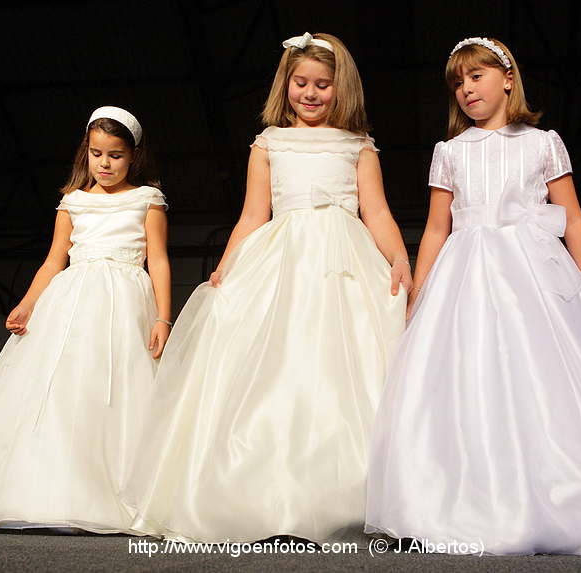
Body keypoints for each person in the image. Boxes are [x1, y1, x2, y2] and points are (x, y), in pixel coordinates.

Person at [365, 37, 581, 555]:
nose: (467, 89)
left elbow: (572, 218)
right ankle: (467, 505)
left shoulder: (543, 143)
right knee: (468, 381)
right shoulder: (450, 152)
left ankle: (566, 502)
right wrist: (419, 294)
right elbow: (438, 228)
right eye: (458, 83)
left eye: (477, 76)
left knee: (549, 382)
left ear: (508, 78)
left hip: (534, 275)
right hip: (465, 278)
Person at [126, 32, 410, 544]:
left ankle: (352, 499)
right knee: (278, 368)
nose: (311, 93)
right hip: (281, 260)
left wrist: (399, 257)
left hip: (344, 261)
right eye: (301, 82)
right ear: (287, 84)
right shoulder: (269, 143)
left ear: (340, 88)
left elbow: (379, 212)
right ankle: (268, 498)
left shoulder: (359, 146)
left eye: (323, 84)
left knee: (345, 370)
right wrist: (227, 268)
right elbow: (253, 215)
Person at [0, 106, 171, 533]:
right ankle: (52, 496)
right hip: (71, 303)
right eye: (97, 153)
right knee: (61, 392)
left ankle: (116, 497)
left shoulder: (147, 200)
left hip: (126, 303)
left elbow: (159, 261)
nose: (105, 163)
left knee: (115, 394)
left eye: (115, 155)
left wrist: (164, 318)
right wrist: (27, 303)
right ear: (85, 153)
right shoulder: (71, 202)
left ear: (133, 156)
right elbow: (53, 261)